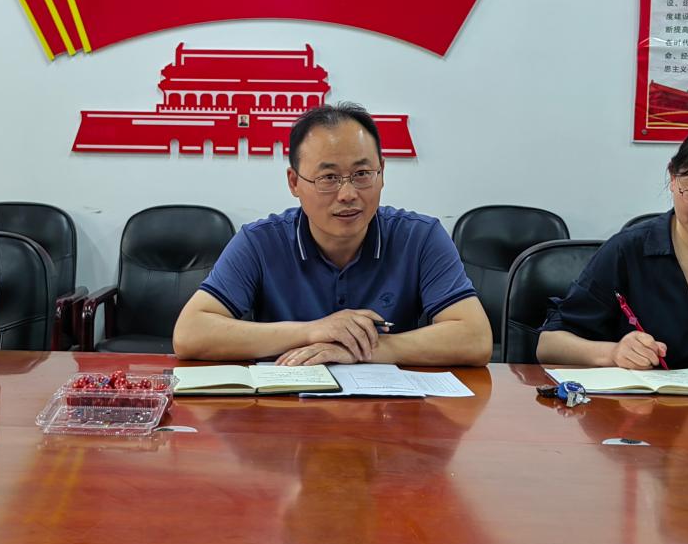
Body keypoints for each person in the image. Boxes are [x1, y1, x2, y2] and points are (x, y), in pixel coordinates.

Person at [173, 102, 491, 367]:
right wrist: (314, 331)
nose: (348, 194)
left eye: (362, 174)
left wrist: (360, 349)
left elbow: (475, 339)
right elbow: (190, 334)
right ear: (294, 182)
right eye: (328, 177)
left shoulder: (420, 238)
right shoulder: (260, 242)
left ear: (382, 173)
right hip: (284, 410)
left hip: (390, 412)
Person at [538, 120, 688, 370]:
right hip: (639, 395)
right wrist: (613, 353)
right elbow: (549, 344)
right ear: (673, 178)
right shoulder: (629, 249)